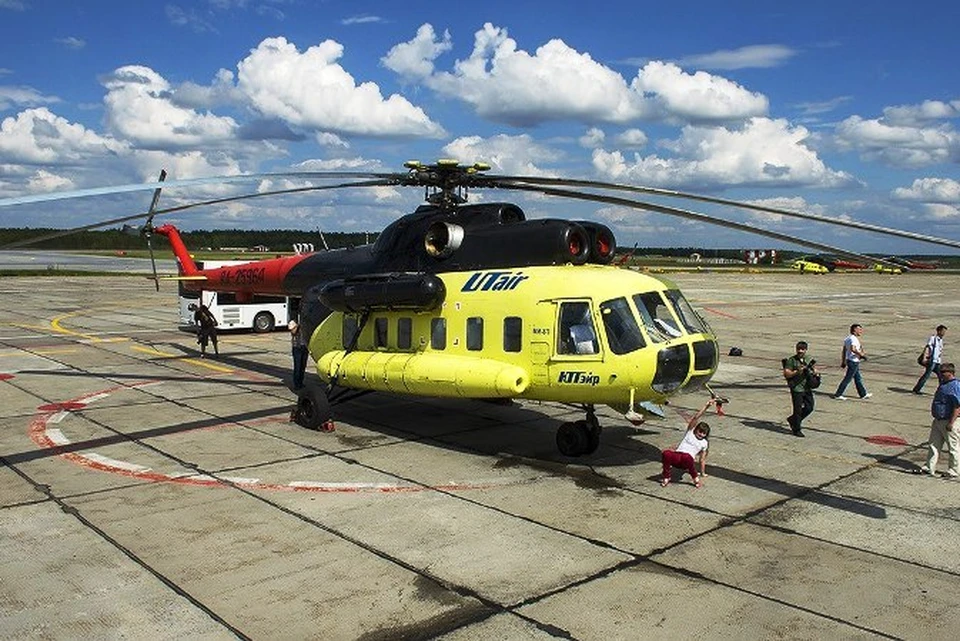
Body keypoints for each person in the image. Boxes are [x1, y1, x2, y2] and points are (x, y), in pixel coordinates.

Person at [919, 362, 960, 479]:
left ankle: (953, 470)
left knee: (953, 447)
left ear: (950, 373)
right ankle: (929, 467)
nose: (940, 374)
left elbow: (957, 406)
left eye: (943, 372)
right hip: (938, 420)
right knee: (933, 445)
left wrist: (951, 423)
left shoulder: (955, 386)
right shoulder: (944, 383)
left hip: (949, 421)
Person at [660, 399, 713, 488]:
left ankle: (695, 479)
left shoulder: (704, 443)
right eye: (700, 431)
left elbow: (702, 459)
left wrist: (703, 473)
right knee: (666, 453)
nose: (701, 434)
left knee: (687, 457)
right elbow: (696, 418)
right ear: (696, 430)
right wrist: (706, 406)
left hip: (686, 461)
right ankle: (666, 477)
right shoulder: (690, 432)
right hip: (677, 457)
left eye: (704, 433)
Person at [782, 341, 818, 437]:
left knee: (809, 407)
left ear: (806, 350)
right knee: (797, 410)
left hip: (807, 387)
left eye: (802, 349)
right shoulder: (791, 360)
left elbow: (815, 369)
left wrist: (814, 373)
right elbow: (786, 373)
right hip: (797, 388)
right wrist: (797, 372)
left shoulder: (809, 359)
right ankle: (796, 429)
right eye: (798, 349)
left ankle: (793, 420)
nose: (800, 351)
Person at [832, 323, 871, 400]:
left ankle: (863, 394)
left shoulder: (847, 339)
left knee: (857, 378)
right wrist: (861, 355)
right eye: (859, 329)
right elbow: (853, 349)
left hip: (850, 360)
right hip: (853, 361)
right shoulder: (853, 339)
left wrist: (843, 361)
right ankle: (838, 394)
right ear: (854, 330)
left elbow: (844, 350)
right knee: (848, 379)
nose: (861, 331)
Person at [913, 324, 947, 394]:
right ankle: (916, 389)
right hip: (932, 361)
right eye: (943, 331)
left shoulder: (940, 340)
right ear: (939, 331)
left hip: (937, 361)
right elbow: (927, 347)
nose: (944, 333)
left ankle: (941, 390)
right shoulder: (933, 338)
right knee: (926, 376)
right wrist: (925, 357)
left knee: (941, 376)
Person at [289, 319, 308, 390]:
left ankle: (301, 382)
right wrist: (297, 326)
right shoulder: (293, 323)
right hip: (297, 347)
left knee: (303, 366)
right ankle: (297, 384)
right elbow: (293, 332)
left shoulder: (306, 324)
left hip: (304, 347)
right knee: (297, 366)